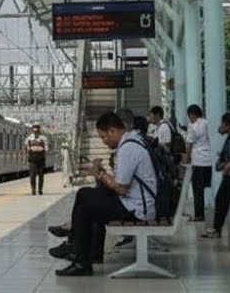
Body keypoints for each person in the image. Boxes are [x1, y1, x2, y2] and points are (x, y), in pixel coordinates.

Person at [49, 112, 157, 277]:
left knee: (85, 209)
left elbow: (121, 188)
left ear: (113, 130)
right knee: (84, 194)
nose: (104, 142)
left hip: (137, 209)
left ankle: (81, 260)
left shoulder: (128, 148)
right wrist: (100, 173)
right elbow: (121, 184)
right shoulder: (130, 143)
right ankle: (82, 248)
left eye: (104, 137)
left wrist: (99, 174)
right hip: (136, 202)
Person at [203, 111, 230, 239]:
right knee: (223, 200)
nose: (220, 126)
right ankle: (217, 228)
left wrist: (225, 165)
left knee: (221, 200)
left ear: (228, 125)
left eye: (222, 124)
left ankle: (217, 229)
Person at [185, 104, 213, 222]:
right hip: (209, 160)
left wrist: (187, 157)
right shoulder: (207, 123)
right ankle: (210, 209)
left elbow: (189, 144)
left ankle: (199, 214)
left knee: (197, 189)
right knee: (208, 186)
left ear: (192, 114)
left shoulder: (193, 126)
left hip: (198, 161)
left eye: (189, 116)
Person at [25, 124, 49, 195]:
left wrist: (41, 149)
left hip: (41, 159)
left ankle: (40, 190)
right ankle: (33, 189)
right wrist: (30, 150)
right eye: (34, 131)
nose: (36, 133)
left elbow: (46, 148)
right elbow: (26, 147)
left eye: (37, 131)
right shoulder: (29, 138)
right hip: (32, 159)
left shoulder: (44, 138)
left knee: (41, 175)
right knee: (32, 175)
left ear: (39, 130)